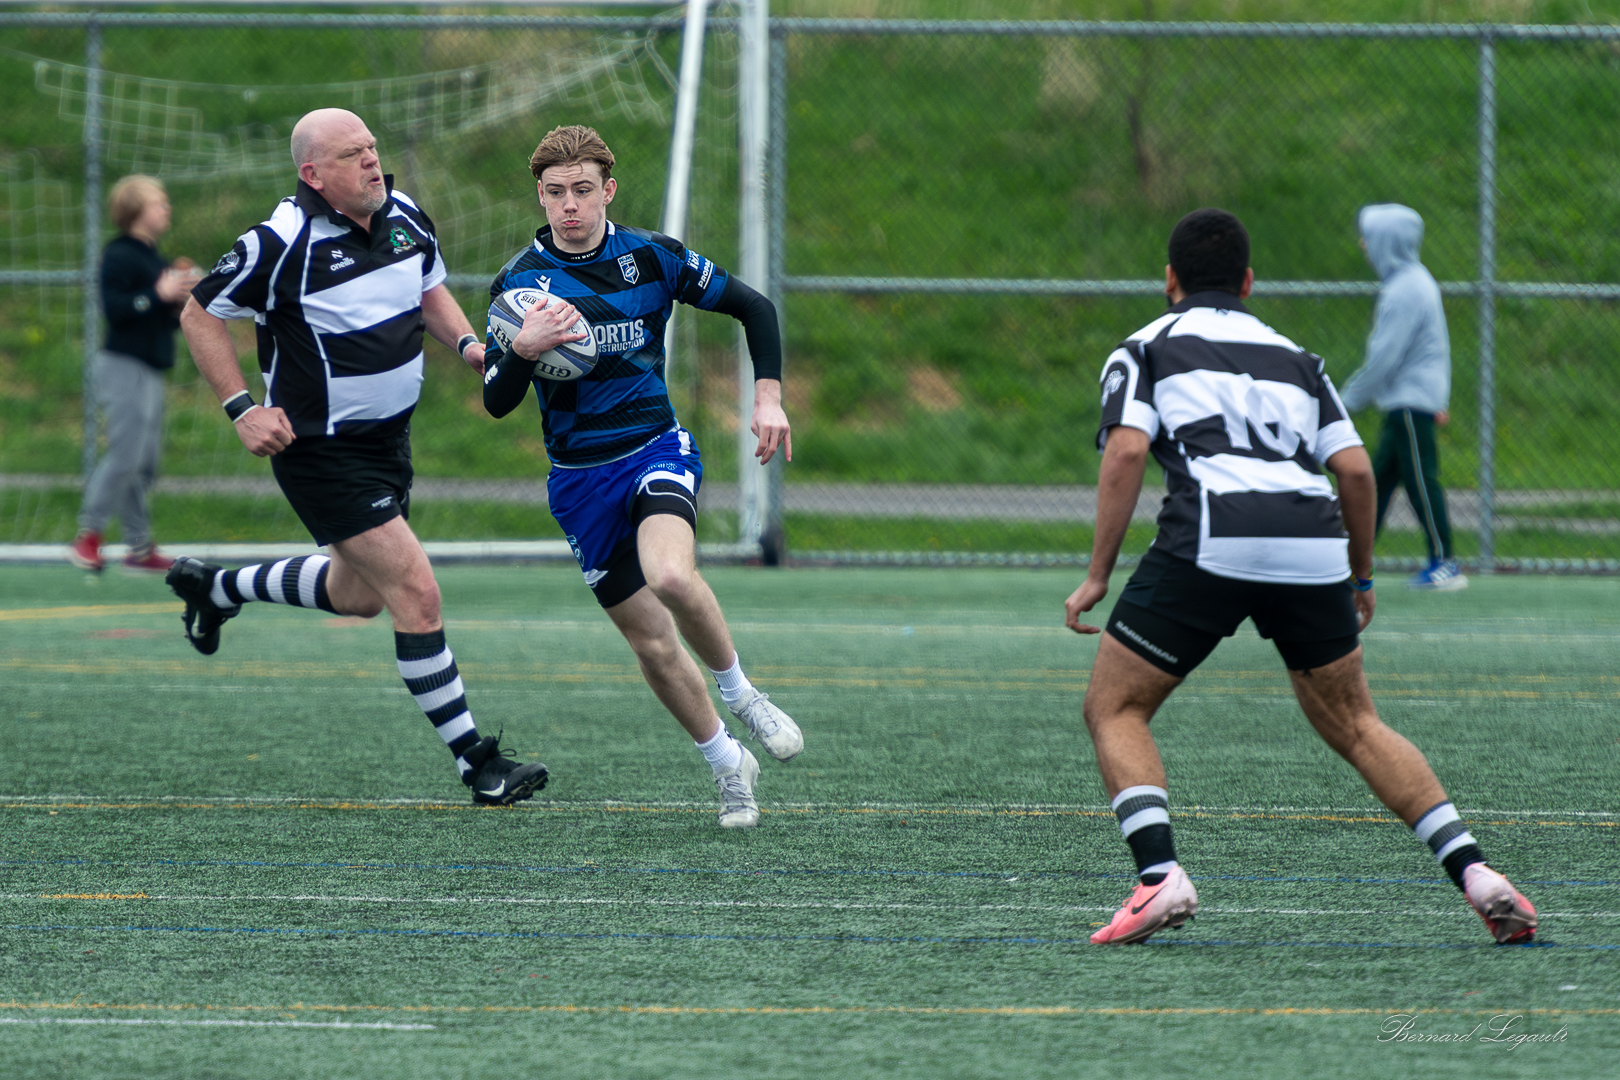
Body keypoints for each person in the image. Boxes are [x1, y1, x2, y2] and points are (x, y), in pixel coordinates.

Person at [1064, 208, 1536, 946]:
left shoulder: (1146, 348)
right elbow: (1352, 470)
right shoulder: (1298, 357)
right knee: (1356, 723)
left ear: (1169, 281)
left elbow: (1126, 453)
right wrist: (1361, 574)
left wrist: (1097, 574)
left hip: (1213, 537)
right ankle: (1477, 872)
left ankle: (1159, 878)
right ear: (1249, 283)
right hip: (1312, 541)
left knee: (1115, 707)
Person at [170, 108, 548, 806]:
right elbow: (200, 312)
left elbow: (428, 287)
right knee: (415, 591)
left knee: (358, 597)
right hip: (320, 452)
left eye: (373, 147)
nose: (373, 161)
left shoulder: (405, 213)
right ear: (314, 174)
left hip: (387, 443)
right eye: (353, 154)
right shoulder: (278, 241)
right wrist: (242, 409)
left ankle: (215, 589)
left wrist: (468, 346)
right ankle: (478, 765)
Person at [482, 125, 802, 829]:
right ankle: (727, 767)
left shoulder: (653, 258)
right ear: (540, 194)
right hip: (577, 480)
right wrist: (524, 351)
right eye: (557, 193)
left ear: (608, 191)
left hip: (655, 449)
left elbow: (755, 307)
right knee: (651, 642)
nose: (571, 206)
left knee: (672, 577)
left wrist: (768, 395)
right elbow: (497, 401)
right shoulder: (518, 287)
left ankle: (743, 693)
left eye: (584, 191)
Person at [69, 175, 202, 574]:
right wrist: (156, 296)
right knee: (125, 456)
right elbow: (117, 310)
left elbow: (163, 320)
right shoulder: (121, 254)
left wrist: (183, 302)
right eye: (158, 203)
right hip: (123, 365)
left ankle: (139, 547)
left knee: (144, 463)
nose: (166, 209)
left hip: (149, 367)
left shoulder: (155, 258)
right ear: (136, 211)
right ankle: (88, 535)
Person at [1340, 203, 1466, 591]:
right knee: (1376, 483)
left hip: (1411, 404)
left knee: (1420, 480)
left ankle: (1445, 562)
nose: (1364, 244)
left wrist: (1345, 400)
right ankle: (1348, 564)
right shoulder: (1412, 282)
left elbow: (1385, 357)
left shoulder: (1405, 289)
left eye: (1370, 236)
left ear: (1386, 242)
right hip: (1407, 403)